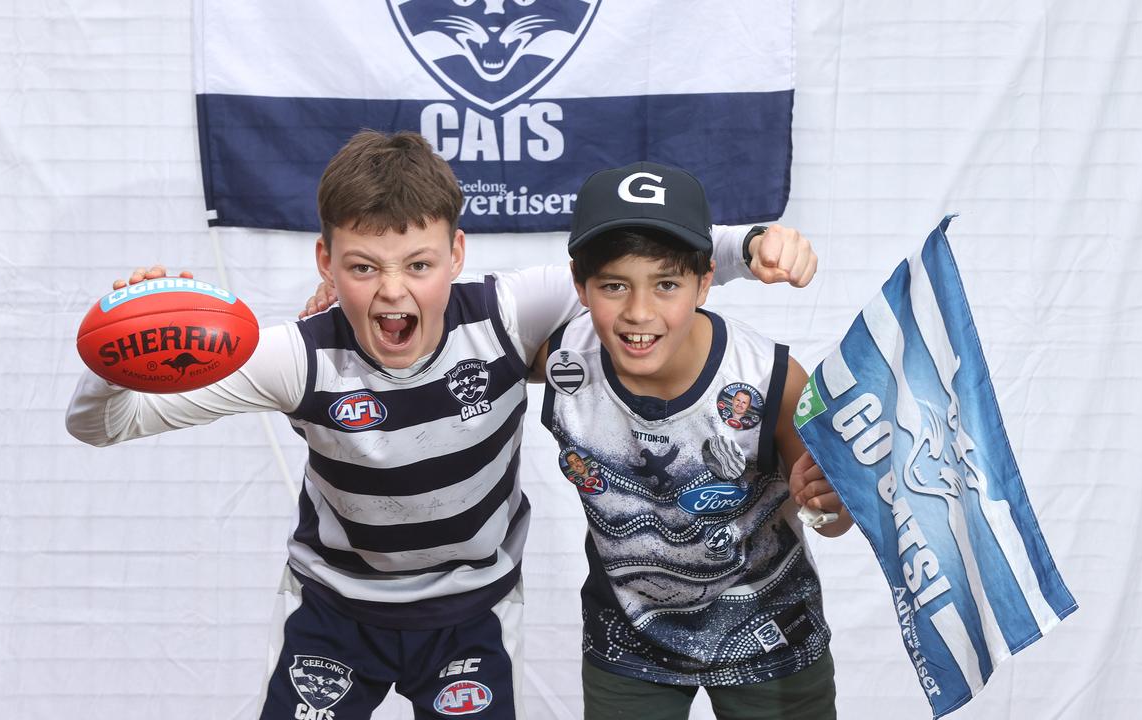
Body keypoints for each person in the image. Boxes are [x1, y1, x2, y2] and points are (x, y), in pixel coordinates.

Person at [66, 130, 817, 719]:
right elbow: (105, 426)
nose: (393, 291)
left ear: (457, 254)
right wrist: (119, 346)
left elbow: (652, 247)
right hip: (334, 610)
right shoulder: (296, 357)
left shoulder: (506, 315)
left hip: (471, 612)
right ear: (326, 263)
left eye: (418, 265)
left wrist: (751, 246)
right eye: (363, 268)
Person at [534, 161, 853, 719]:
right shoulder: (561, 358)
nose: (639, 312)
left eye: (666, 284)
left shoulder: (769, 379)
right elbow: (452, 340)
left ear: (705, 281)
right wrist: (338, 309)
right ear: (580, 285)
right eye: (614, 285)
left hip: (770, 629)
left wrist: (832, 500)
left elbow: (835, 515)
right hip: (630, 639)